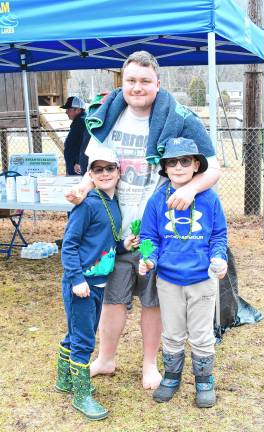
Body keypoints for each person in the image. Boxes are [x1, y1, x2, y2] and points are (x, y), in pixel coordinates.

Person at [65, 50, 221, 390]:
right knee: (111, 298)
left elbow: (213, 166)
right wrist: (81, 188)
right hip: (113, 231)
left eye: (145, 81)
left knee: (153, 301)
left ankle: (150, 365)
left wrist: (192, 189)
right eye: (131, 80)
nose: (137, 87)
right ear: (122, 82)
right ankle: (106, 358)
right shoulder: (107, 116)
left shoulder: (179, 117)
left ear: (158, 83)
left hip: (156, 232)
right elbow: (95, 168)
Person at [139, 137, 227, 408]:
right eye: (172, 162)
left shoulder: (210, 199)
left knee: (201, 334)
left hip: (202, 280)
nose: (178, 166)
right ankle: (171, 376)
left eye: (185, 161)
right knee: (173, 333)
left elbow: (219, 235)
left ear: (196, 165)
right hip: (168, 280)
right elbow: (149, 236)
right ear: (164, 168)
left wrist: (218, 258)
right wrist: (148, 258)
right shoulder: (157, 200)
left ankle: (204, 380)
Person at [55, 146, 138, 421]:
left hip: (99, 283)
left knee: (79, 330)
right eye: (98, 169)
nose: (104, 174)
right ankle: (82, 395)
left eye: (109, 168)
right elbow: (69, 245)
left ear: (118, 171)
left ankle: (64, 379)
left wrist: (123, 246)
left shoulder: (112, 203)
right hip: (82, 283)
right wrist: (77, 279)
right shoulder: (87, 203)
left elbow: (105, 243)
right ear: (90, 174)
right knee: (84, 339)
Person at [61, 96, 89, 175]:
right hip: (74, 163)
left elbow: (84, 143)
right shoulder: (80, 121)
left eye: (69, 109)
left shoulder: (81, 122)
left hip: (77, 165)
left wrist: (78, 161)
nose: (66, 112)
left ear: (78, 110)